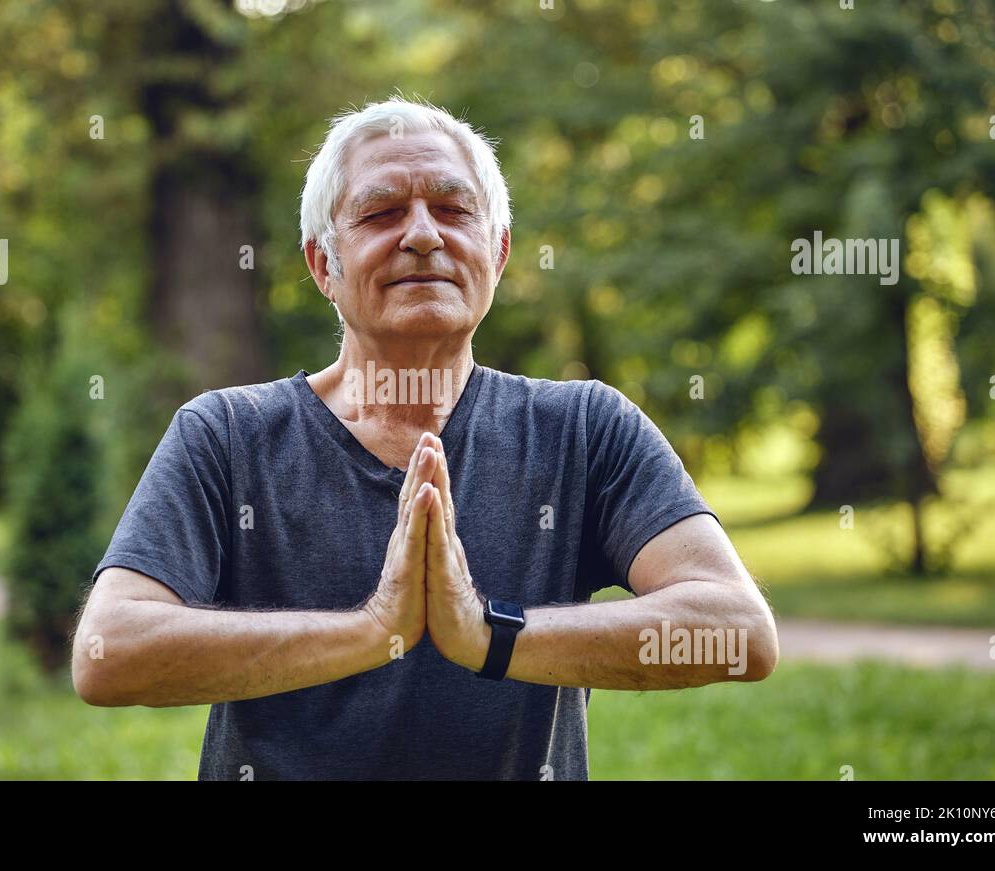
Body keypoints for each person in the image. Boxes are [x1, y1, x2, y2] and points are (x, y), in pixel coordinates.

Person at [71, 94, 778, 780]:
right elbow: (109, 653)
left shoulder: (586, 430)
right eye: (381, 212)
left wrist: (488, 636)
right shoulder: (225, 436)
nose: (422, 234)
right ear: (324, 264)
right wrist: (373, 628)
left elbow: (740, 632)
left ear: (497, 254)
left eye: (453, 209)